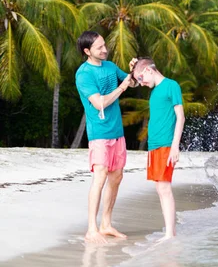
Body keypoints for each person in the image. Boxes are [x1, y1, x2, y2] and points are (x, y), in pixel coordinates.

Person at [75, 31, 134, 244]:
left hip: (117, 132)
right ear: (87, 51)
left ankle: (106, 224)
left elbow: (131, 83)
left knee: (116, 177)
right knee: (100, 176)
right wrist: (122, 87)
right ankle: (92, 229)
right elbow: (100, 103)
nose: (105, 49)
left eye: (104, 45)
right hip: (99, 133)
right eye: (100, 47)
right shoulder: (84, 74)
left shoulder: (109, 66)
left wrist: (133, 71)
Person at [131, 57, 185, 241]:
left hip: (166, 145)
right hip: (153, 146)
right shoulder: (154, 92)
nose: (142, 83)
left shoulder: (171, 85)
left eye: (141, 79)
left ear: (149, 70)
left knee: (164, 188)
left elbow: (181, 117)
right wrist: (133, 68)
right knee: (160, 189)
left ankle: (170, 233)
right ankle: (170, 231)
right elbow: (132, 78)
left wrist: (175, 146)